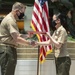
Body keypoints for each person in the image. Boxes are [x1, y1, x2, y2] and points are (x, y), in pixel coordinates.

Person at [0, 2, 33, 75]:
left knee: (9, 72)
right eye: (22, 12)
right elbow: (17, 38)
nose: (23, 15)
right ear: (17, 11)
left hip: (8, 49)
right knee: (7, 72)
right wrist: (29, 43)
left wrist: (27, 36)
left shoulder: (11, 19)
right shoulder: (10, 20)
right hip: (7, 50)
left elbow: (15, 35)